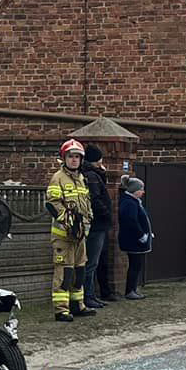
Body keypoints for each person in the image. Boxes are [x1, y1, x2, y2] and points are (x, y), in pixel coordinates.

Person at [46, 138, 93, 322]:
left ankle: (77, 305)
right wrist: (69, 221)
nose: (74, 160)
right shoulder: (58, 178)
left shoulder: (82, 179)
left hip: (80, 235)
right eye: (70, 156)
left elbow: (86, 204)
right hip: (63, 235)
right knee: (64, 273)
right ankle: (61, 310)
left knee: (79, 271)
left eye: (77, 157)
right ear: (64, 158)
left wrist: (87, 221)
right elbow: (52, 203)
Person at [80, 143, 116, 307]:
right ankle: (88, 296)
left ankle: (91, 295)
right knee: (91, 263)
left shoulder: (90, 174)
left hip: (96, 224)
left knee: (92, 262)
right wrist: (106, 214)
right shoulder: (93, 176)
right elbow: (95, 199)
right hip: (96, 224)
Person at [118, 175, 154, 299]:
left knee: (136, 265)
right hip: (133, 241)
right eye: (141, 189)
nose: (143, 192)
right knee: (135, 265)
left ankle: (133, 289)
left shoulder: (133, 202)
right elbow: (131, 221)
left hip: (135, 240)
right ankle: (130, 291)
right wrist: (141, 235)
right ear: (135, 190)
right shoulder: (129, 203)